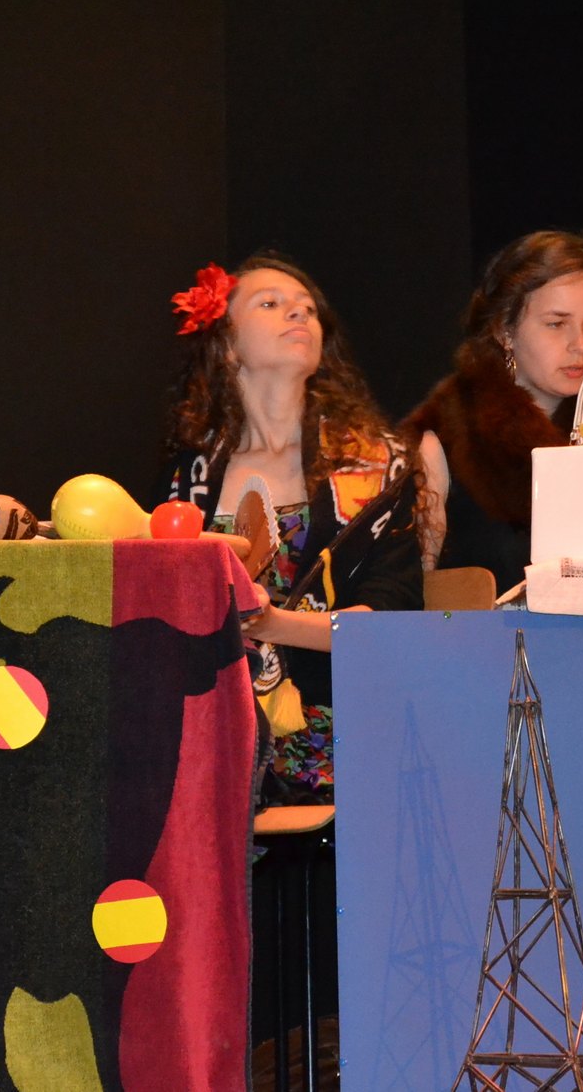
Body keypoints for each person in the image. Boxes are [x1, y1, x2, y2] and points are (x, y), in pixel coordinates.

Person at [162, 255, 420, 801]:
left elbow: (391, 622)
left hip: (336, 725)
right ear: (228, 345)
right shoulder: (192, 471)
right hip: (209, 720)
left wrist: (272, 624)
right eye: (271, 304)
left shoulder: (378, 465)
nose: (299, 314)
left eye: (308, 309)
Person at [403, 231, 583, 592]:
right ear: (504, 330)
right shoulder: (442, 440)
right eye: (556, 323)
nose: (580, 344)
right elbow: (410, 598)